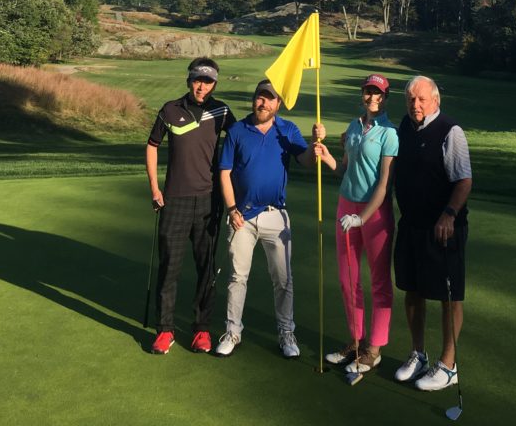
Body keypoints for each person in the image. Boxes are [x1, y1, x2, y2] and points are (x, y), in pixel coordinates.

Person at [215, 78, 321, 359]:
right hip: (242, 217)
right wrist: (231, 209)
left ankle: (286, 332)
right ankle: (232, 331)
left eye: (269, 98)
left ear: (278, 103)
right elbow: (224, 172)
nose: (262, 102)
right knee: (238, 277)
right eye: (259, 97)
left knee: (283, 279)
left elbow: (307, 161)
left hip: (276, 216)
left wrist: (315, 143)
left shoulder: (287, 130)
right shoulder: (238, 130)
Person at [145, 57, 235, 355]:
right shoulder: (171, 109)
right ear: (189, 80)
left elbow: (240, 141)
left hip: (209, 200)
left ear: (214, 84)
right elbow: (152, 145)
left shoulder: (221, 111)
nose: (202, 86)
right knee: (169, 267)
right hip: (174, 199)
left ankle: (201, 330)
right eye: (198, 79)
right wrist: (155, 188)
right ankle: (165, 330)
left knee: (205, 269)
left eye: (208, 81)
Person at [315, 73, 399, 374]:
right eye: (368, 92)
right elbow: (345, 170)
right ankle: (355, 340)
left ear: (385, 97)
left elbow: (384, 185)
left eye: (378, 93)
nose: (372, 97)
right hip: (345, 206)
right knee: (348, 280)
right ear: (362, 94)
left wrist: (362, 218)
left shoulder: (390, 133)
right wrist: (327, 158)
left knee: (378, 281)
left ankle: (374, 348)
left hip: (374, 214)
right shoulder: (353, 127)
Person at [392, 75, 472, 392]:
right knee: (413, 290)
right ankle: (418, 354)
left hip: (444, 227)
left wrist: (449, 215)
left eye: (422, 99)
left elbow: (464, 181)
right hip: (411, 224)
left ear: (436, 100)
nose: (416, 105)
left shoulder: (450, 131)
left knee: (448, 297)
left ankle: (448, 365)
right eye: (411, 99)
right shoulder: (405, 126)